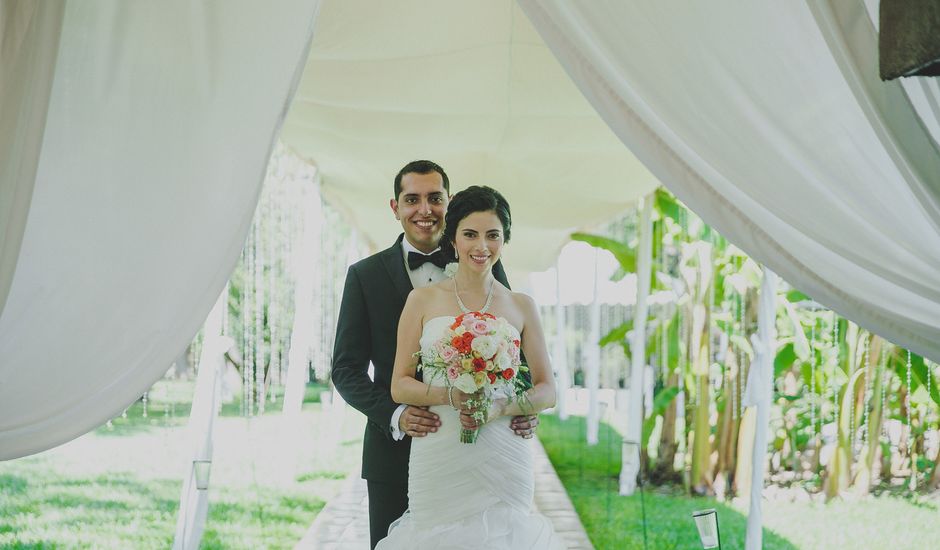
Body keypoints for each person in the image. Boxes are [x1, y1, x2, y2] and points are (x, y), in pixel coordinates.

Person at [331, 161, 538, 549]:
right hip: (394, 451)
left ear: (449, 202)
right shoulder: (364, 275)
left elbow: (515, 351)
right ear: (395, 207)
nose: (424, 210)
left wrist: (522, 407)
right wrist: (396, 414)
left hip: (479, 449)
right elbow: (345, 369)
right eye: (412, 199)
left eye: (434, 198)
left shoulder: (485, 262)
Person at [376, 186, 565, 549]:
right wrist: (451, 395)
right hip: (440, 445)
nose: (482, 246)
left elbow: (546, 389)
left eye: (493, 235)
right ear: (453, 237)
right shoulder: (422, 300)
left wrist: (503, 407)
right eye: (470, 234)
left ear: (504, 239)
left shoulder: (522, 305)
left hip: (503, 448)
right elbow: (399, 385)